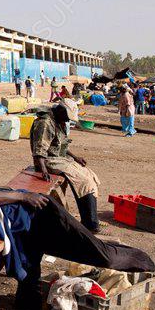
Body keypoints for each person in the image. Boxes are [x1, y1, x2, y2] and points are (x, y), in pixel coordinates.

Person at [0, 98, 155, 310]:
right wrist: (21, 198)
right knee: (35, 217)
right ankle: (93, 257)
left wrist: (16, 195)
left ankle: (29, 294)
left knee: (34, 213)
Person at [29, 99, 102, 231]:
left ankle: (90, 220)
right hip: (47, 161)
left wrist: (75, 157)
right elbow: (39, 151)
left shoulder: (57, 120)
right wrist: (43, 170)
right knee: (84, 181)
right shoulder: (45, 123)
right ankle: (90, 224)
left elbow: (60, 144)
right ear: (61, 111)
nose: (68, 121)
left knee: (90, 176)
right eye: (67, 117)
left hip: (59, 159)